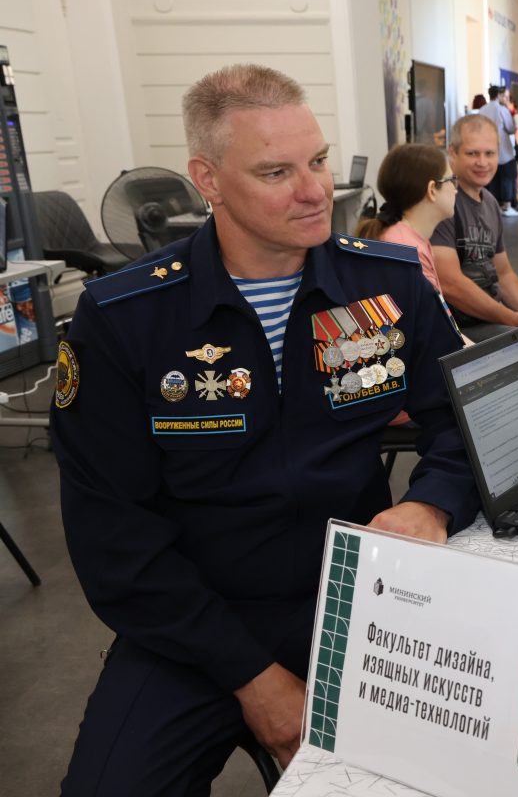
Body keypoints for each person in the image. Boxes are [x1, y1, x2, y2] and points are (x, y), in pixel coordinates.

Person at [50, 64, 480, 793]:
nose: (316, 191)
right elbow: (111, 533)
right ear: (208, 179)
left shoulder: (385, 284)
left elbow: (466, 424)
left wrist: (429, 503)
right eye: (276, 172)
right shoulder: (126, 320)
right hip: (196, 620)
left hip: (362, 600)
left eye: (316, 161)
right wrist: (253, 678)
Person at [431, 114, 518, 342]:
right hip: (459, 329)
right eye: (472, 153)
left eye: (489, 153)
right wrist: (514, 319)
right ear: (452, 153)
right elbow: (450, 284)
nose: (482, 162)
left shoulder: (490, 203)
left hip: (492, 317)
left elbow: (503, 273)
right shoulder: (444, 204)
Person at [354, 142, 455, 293]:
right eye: (451, 180)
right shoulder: (404, 251)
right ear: (432, 190)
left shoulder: (407, 239)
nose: (455, 189)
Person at [477, 85, 518, 217]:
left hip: (487, 148)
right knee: (507, 177)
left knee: (492, 179)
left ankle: (493, 207)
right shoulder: (502, 109)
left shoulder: (482, 109)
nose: (506, 99)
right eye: (504, 96)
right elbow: (510, 128)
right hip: (504, 149)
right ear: (499, 95)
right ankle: (507, 206)